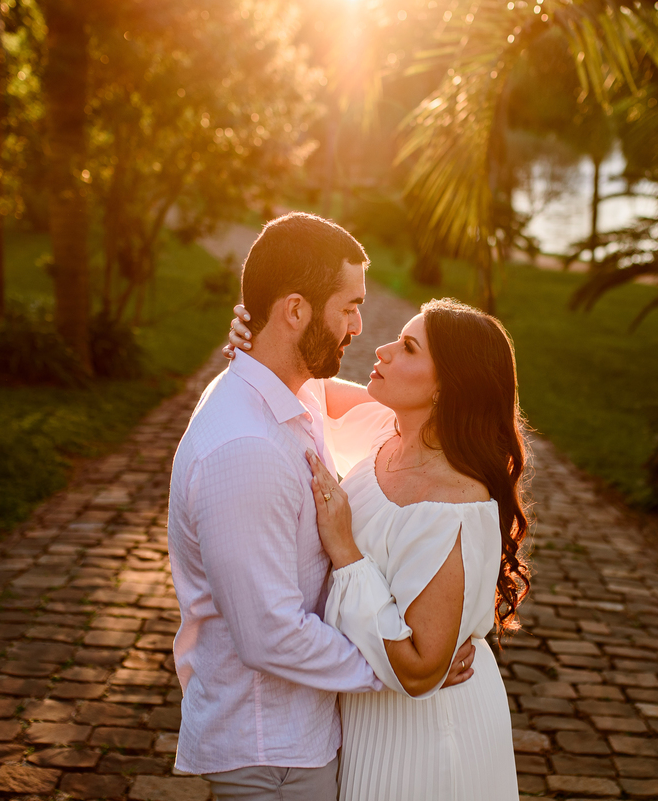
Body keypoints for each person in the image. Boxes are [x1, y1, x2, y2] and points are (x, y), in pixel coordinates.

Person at [167, 212, 475, 801]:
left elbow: (401, 422)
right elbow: (269, 636)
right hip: (272, 752)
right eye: (349, 306)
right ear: (295, 311)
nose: (360, 325)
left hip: (297, 738)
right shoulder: (246, 450)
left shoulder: (288, 389)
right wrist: (408, 671)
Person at [226, 296, 530, 801]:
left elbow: (418, 668)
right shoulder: (387, 432)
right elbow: (305, 387)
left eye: (408, 347)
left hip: (430, 738)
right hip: (367, 719)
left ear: (446, 386)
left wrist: (346, 551)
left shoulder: (454, 504)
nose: (383, 349)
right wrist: (255, 342)